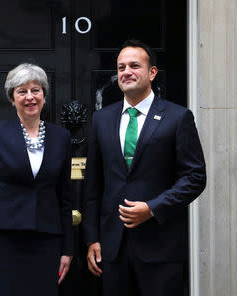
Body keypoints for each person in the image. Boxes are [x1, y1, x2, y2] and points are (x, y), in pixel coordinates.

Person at [83, 39, 206, 296]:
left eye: (134, 65)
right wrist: (92, 238)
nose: (126, 72)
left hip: (161, 246)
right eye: (121, 67)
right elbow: (93, 185)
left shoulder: (178, 117)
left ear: (152, 73)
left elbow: (194, 177)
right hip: (112, 247)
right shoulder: (101, 119)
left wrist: (152, 208)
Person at [0, 63, 73, 296]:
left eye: (36, 90)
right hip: (1, 242)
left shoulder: (61, 137)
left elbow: (65, 197)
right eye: (21, 91)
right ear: (12, 99)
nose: (30, 97)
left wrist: (67, 249)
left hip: (46, 241)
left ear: (44, 95)